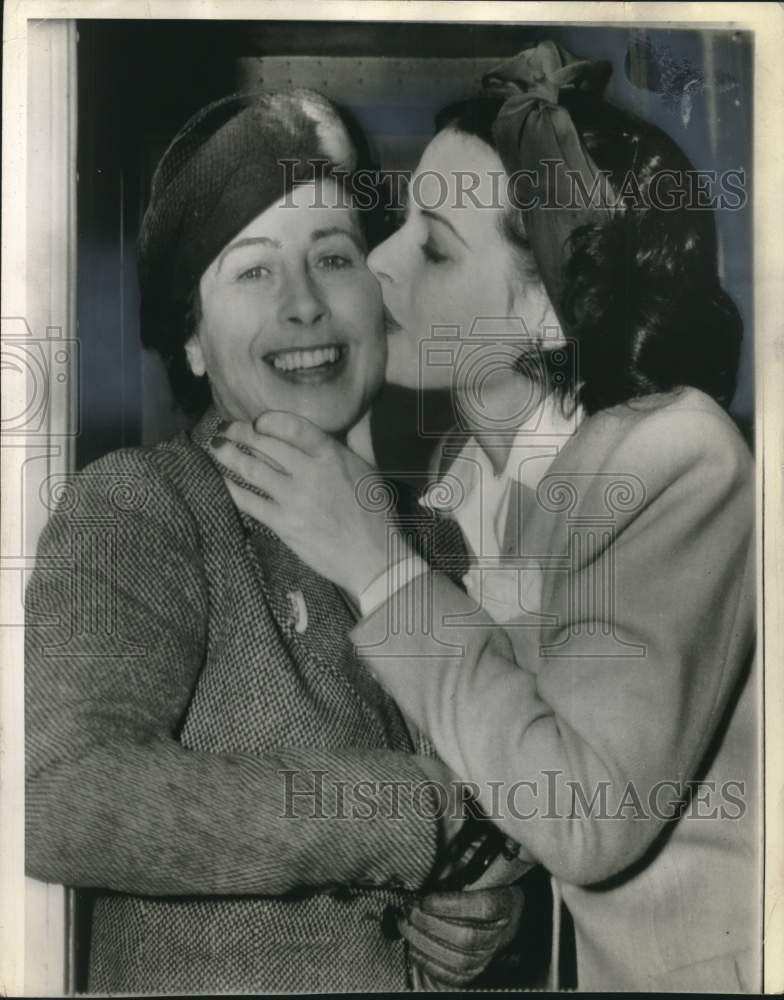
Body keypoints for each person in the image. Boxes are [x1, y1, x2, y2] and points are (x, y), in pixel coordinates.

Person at [212, 45, 759, 992]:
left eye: (432, 248)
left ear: (548, 308)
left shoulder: (677, 458)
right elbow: (510, 750)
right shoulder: (459, 481)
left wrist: (378, 566)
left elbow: (586, 814)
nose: (378, 265)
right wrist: (499, 899)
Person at [24, 89, 527, 993]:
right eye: (253, 271)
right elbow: (57, 797)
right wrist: (407, 813)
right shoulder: (147, 508)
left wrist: (483, 908)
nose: (304, 306)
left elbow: (499, 800)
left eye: (333, 257)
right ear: (192, 341)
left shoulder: (433, 544)